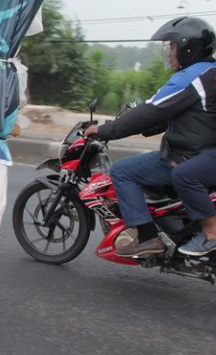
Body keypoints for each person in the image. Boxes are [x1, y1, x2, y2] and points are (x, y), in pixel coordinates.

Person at [84, 16, 216, 258]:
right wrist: (149, 128)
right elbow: (188, 114)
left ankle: (147, 237)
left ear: (188, 47)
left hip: (189, 155)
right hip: (203, 150)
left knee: (123, 171)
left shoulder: (190, 78)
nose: (169, 53)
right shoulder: (209, 72)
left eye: (173, 46)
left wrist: (107, 130)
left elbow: (150, 110)